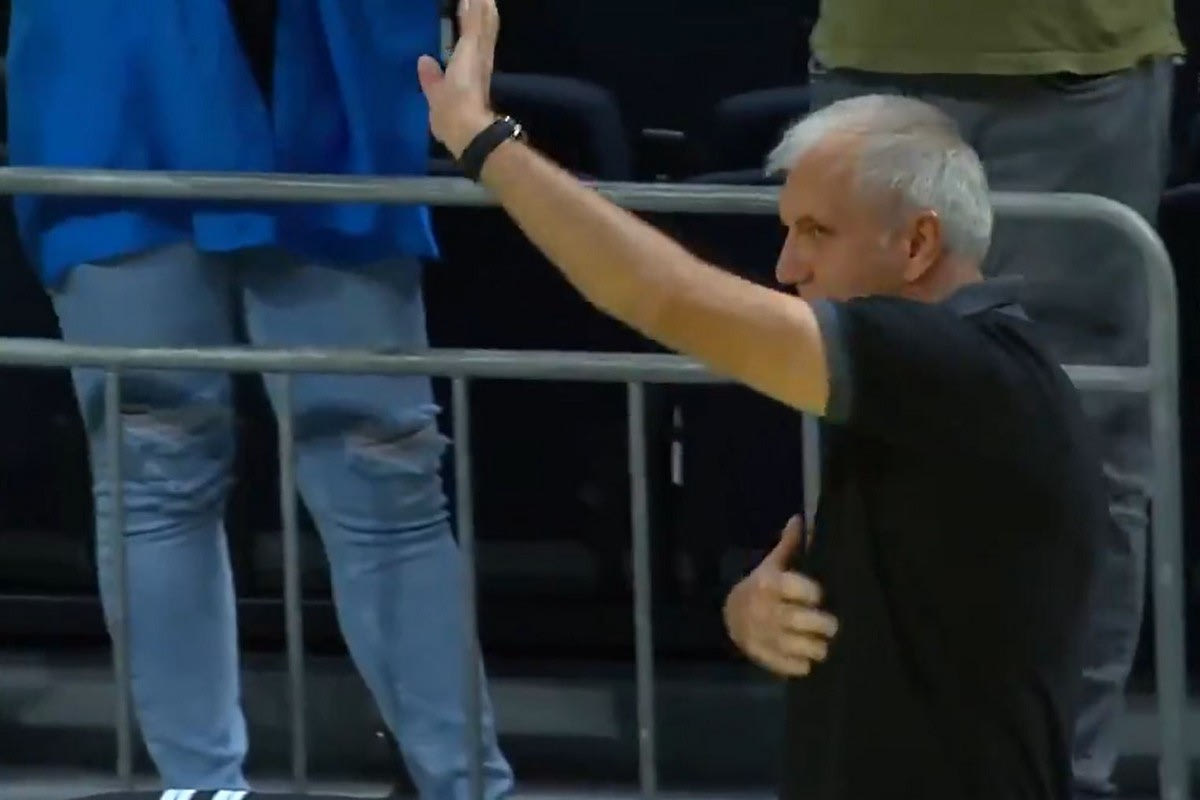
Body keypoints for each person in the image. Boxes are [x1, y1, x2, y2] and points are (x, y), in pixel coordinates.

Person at [418, 1, 1106, 798]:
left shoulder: (971, 373)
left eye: (816, 232)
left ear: (918, 243)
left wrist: (482, 140)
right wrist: (757, 605)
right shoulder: (931, 393)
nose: (786, 267)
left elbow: (661, 294)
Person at [6, 1, 512, 796]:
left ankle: (464, 787)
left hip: (321, 96)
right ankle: (207, 786)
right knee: (164, 468)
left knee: (376, 473)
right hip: (120, 85)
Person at [802, 5, 1183, 797]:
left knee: (1081, 440)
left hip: (1076, 68)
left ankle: (1066, 778)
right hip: (880, 54)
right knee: (866, 426)